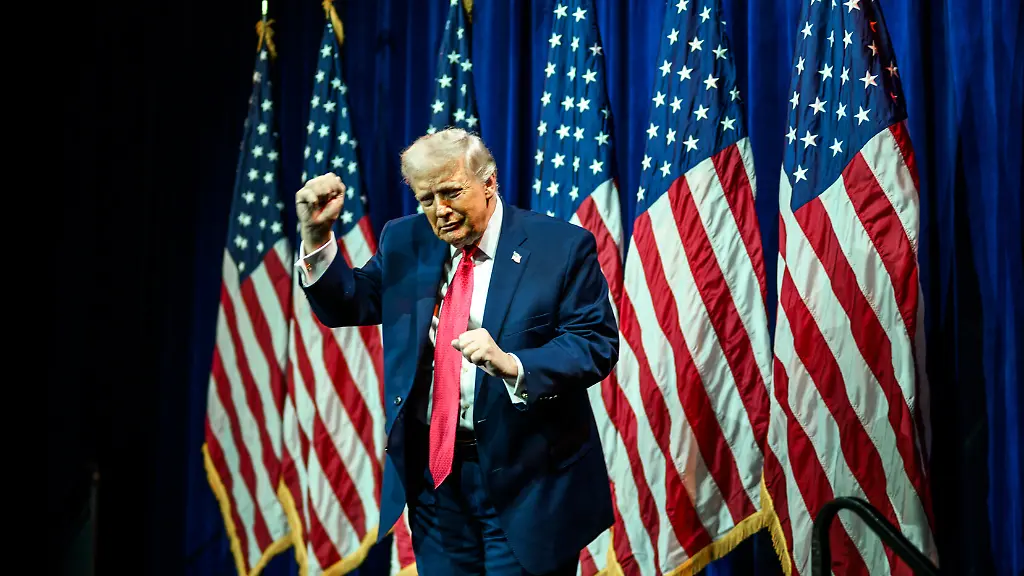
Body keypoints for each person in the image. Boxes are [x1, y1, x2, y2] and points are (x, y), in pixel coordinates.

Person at [293, 128, 618, 575]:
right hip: (435, 486)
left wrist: (513, 364)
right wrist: (316, 237)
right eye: (427, 200)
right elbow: (351, 302)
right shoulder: (405, 241)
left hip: (528, 481)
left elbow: (594, 342)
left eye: (450, 193)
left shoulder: (559, 246)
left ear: (488, 183)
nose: (440, 211)